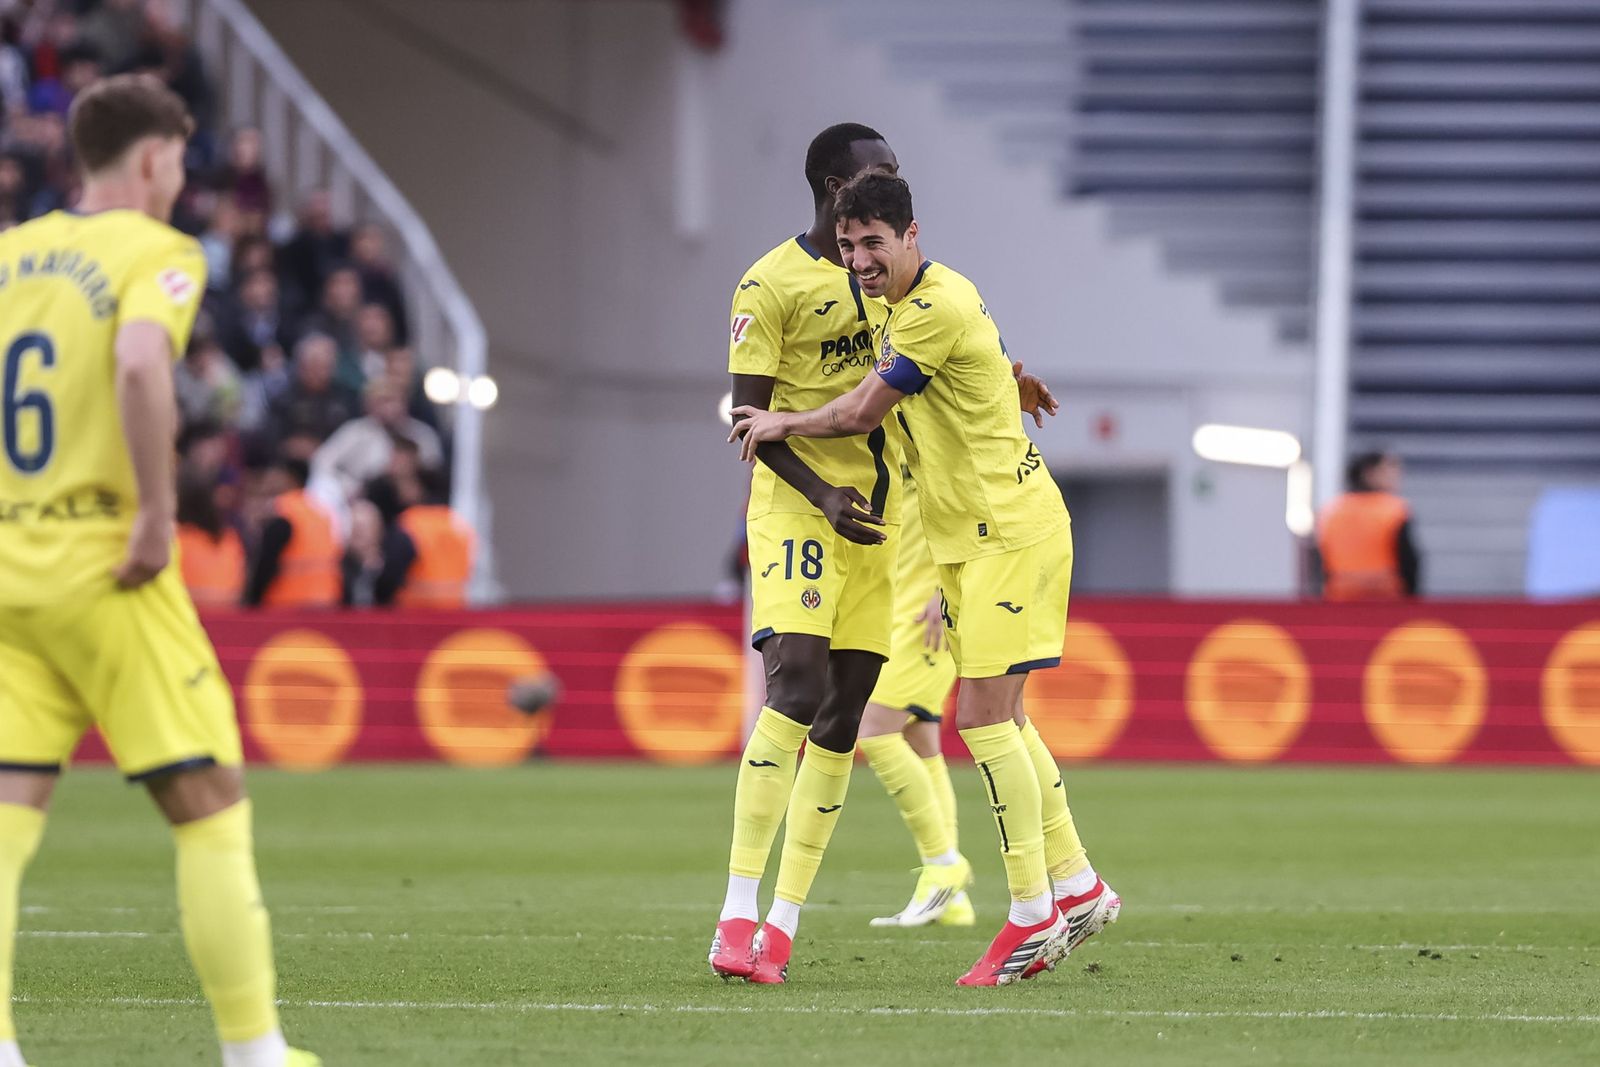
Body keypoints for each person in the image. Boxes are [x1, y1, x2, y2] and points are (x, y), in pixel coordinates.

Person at [731, 171, 1118, 986]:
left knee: (982, 718)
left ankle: (1029, 913)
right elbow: (959, 353)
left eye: (875, 243)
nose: (861, 260)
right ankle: (1076, 884)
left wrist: (780, 421)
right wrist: (1014, 375)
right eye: (848, 246)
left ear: (912, 235)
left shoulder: (931, 304)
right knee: (1002, 719)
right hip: (970, 539)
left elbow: (861, 410)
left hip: (1005, 533)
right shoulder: (907, 301)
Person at [0, 75, 318, 1066]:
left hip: (10, 564)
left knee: (9, 806)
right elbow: (141, 364)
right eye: (178, 162)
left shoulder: (8, 258)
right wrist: (150, 511)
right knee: (208, 799)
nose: (181, 182)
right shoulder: (157, 252)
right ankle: (254, 1050)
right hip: (105, 563)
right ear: (149, 159)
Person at [707, 123, 906, 986]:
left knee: (846, 711)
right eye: (877, 173)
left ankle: (782, 927)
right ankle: (736, 911)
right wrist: (821, 491)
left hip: (879, 514)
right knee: (796, 685)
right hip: (796, 507)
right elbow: (745, 419)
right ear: (833, 186)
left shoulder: (896, 279)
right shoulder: (770, 282)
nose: (892, 185)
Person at [859, 464, 973, 928]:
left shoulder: (937, 423)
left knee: (874, 732)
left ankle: (943, 866)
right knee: (922, 742)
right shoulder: (892, 421)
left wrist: (946, 590)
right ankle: (952, 898)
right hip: (895, 603)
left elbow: (973, 506)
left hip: (926, 611)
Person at [1315, 450, 1421, 600]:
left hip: (1339, 597)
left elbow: (1319, 560)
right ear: (1369, 473)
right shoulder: (1394, 510)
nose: (1396, 475)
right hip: (1387, 598)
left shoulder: (1332, 511)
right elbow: (1408, 560)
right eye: (1389, 469)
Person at [242, 456, 342, 609]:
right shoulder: (321, 515)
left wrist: (252, 602)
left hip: (287, 605)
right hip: (326, 604)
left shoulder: (284, 515)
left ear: (289, 478)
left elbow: (266, 565)